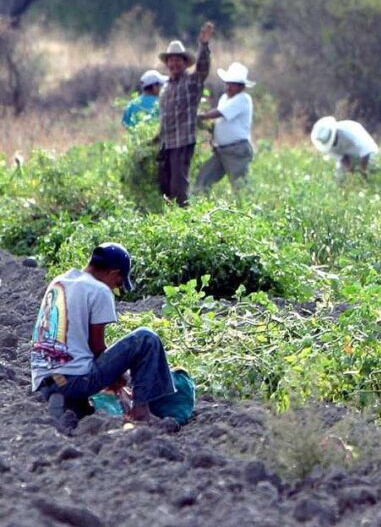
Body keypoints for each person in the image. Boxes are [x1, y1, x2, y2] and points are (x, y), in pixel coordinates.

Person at [31, 243, 175, 423]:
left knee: (81, 412)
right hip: (76, 381)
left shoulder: (59, 282)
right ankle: (141, 412)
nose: (116, 288)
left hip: (45, 382)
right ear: (113, 273)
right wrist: (119, 377)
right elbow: (97, 347)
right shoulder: (100, 290)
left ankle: (69, 402)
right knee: (146, 338)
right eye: (119, 283)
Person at [157, 21, 214, 206]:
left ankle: (185, 221)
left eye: (177, 59)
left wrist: (203, 46)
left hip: (183, 142)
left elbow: (203, 69)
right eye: (170, 60)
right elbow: (165, 118)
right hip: (167, 144)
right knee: (164, 187)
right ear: (167, 64)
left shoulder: (191, 82)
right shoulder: (166, 87)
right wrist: (156, 140)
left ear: (184, 63)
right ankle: (169, 222)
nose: (174, 63)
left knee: (178, 188)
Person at [194, 62, 255, 194]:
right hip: (221, 150)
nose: (229, 86)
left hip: (236, 150)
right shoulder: (224, 98)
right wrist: (207, 126)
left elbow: (220, 113)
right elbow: (219, 120)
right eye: (228, 83)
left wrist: (201, 116)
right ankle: (197, 207)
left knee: (240, 187)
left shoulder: (243, 99)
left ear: (241, 86)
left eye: (232, 84)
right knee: (203, 179)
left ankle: (245, 212)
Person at [310, 117, 379, 177]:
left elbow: (366, 151)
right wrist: (351, 171)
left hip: (367, 152)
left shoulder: (349, 132)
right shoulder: (325, 145)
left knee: (372, 172)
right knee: (340, 177)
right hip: (347, 154)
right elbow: (342, 159)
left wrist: (363, 170)